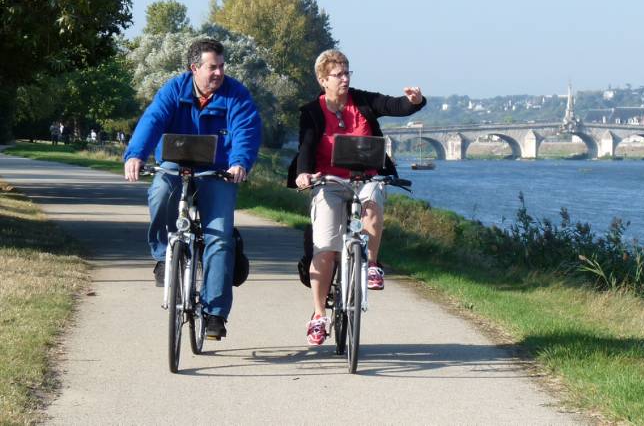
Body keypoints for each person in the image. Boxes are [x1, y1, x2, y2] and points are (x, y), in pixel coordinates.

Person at [123, 38, 262, 340]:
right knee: (160, 191)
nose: (219, 73)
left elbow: (246, 131)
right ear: (194, 68)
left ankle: (214, 313)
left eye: (222, 67)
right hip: (176, 164)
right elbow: (153, 120)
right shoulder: (174, 89)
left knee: (220, 236)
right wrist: (136, 154)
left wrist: (239, 163)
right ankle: (164, 256)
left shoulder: (236, 95)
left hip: (219, 171)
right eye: (212, 67)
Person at [286, 49, 424, 346]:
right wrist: (303, 173)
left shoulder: (361, 101)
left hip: (366, 177)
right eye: (339, 74)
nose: (345, 78)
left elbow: (393, 105)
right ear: (323, 80)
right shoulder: (312, 111)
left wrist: (414, 102)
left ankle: (372, 264)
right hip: (329, 180)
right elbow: (307, 145)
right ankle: (319, 315)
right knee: (324, 249)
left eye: (348, 72)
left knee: (374, 199)